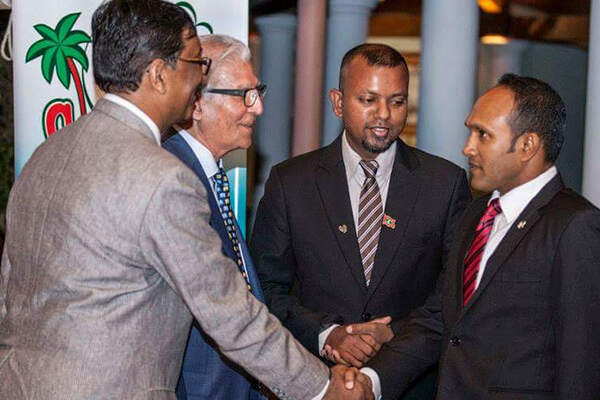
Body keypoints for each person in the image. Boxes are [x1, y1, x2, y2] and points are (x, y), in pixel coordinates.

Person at [0, 1, 373, 399]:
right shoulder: (162, 177)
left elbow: (10, 294)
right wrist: (321, 388)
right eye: (196, 62)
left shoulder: (46, 155)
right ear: (159, 75)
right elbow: (227, 311)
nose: (200, 76)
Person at [250, 43, 471, 398]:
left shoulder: (444, 184)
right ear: (338, 103)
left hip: (409, 386)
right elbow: (265, 286)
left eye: (397, 102)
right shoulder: (291, 183)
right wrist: (327, 335)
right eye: (368, 100)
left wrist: (393, 333)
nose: (384, 114)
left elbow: (452, 294)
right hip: (315, 383)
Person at [364, 74, 600, 399]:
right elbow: (440, 318)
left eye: (483, 135)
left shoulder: (575, 225)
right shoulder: (476, 214)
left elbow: (581, 366)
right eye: (470, 131)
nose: (468, 148)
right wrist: (370, 381)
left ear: (527, 146)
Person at [162, 34, 267, 400]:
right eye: (244, 94)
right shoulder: (172, 178)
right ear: (197, 104)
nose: (257, 108)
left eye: (258, 91)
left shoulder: (209, 175)